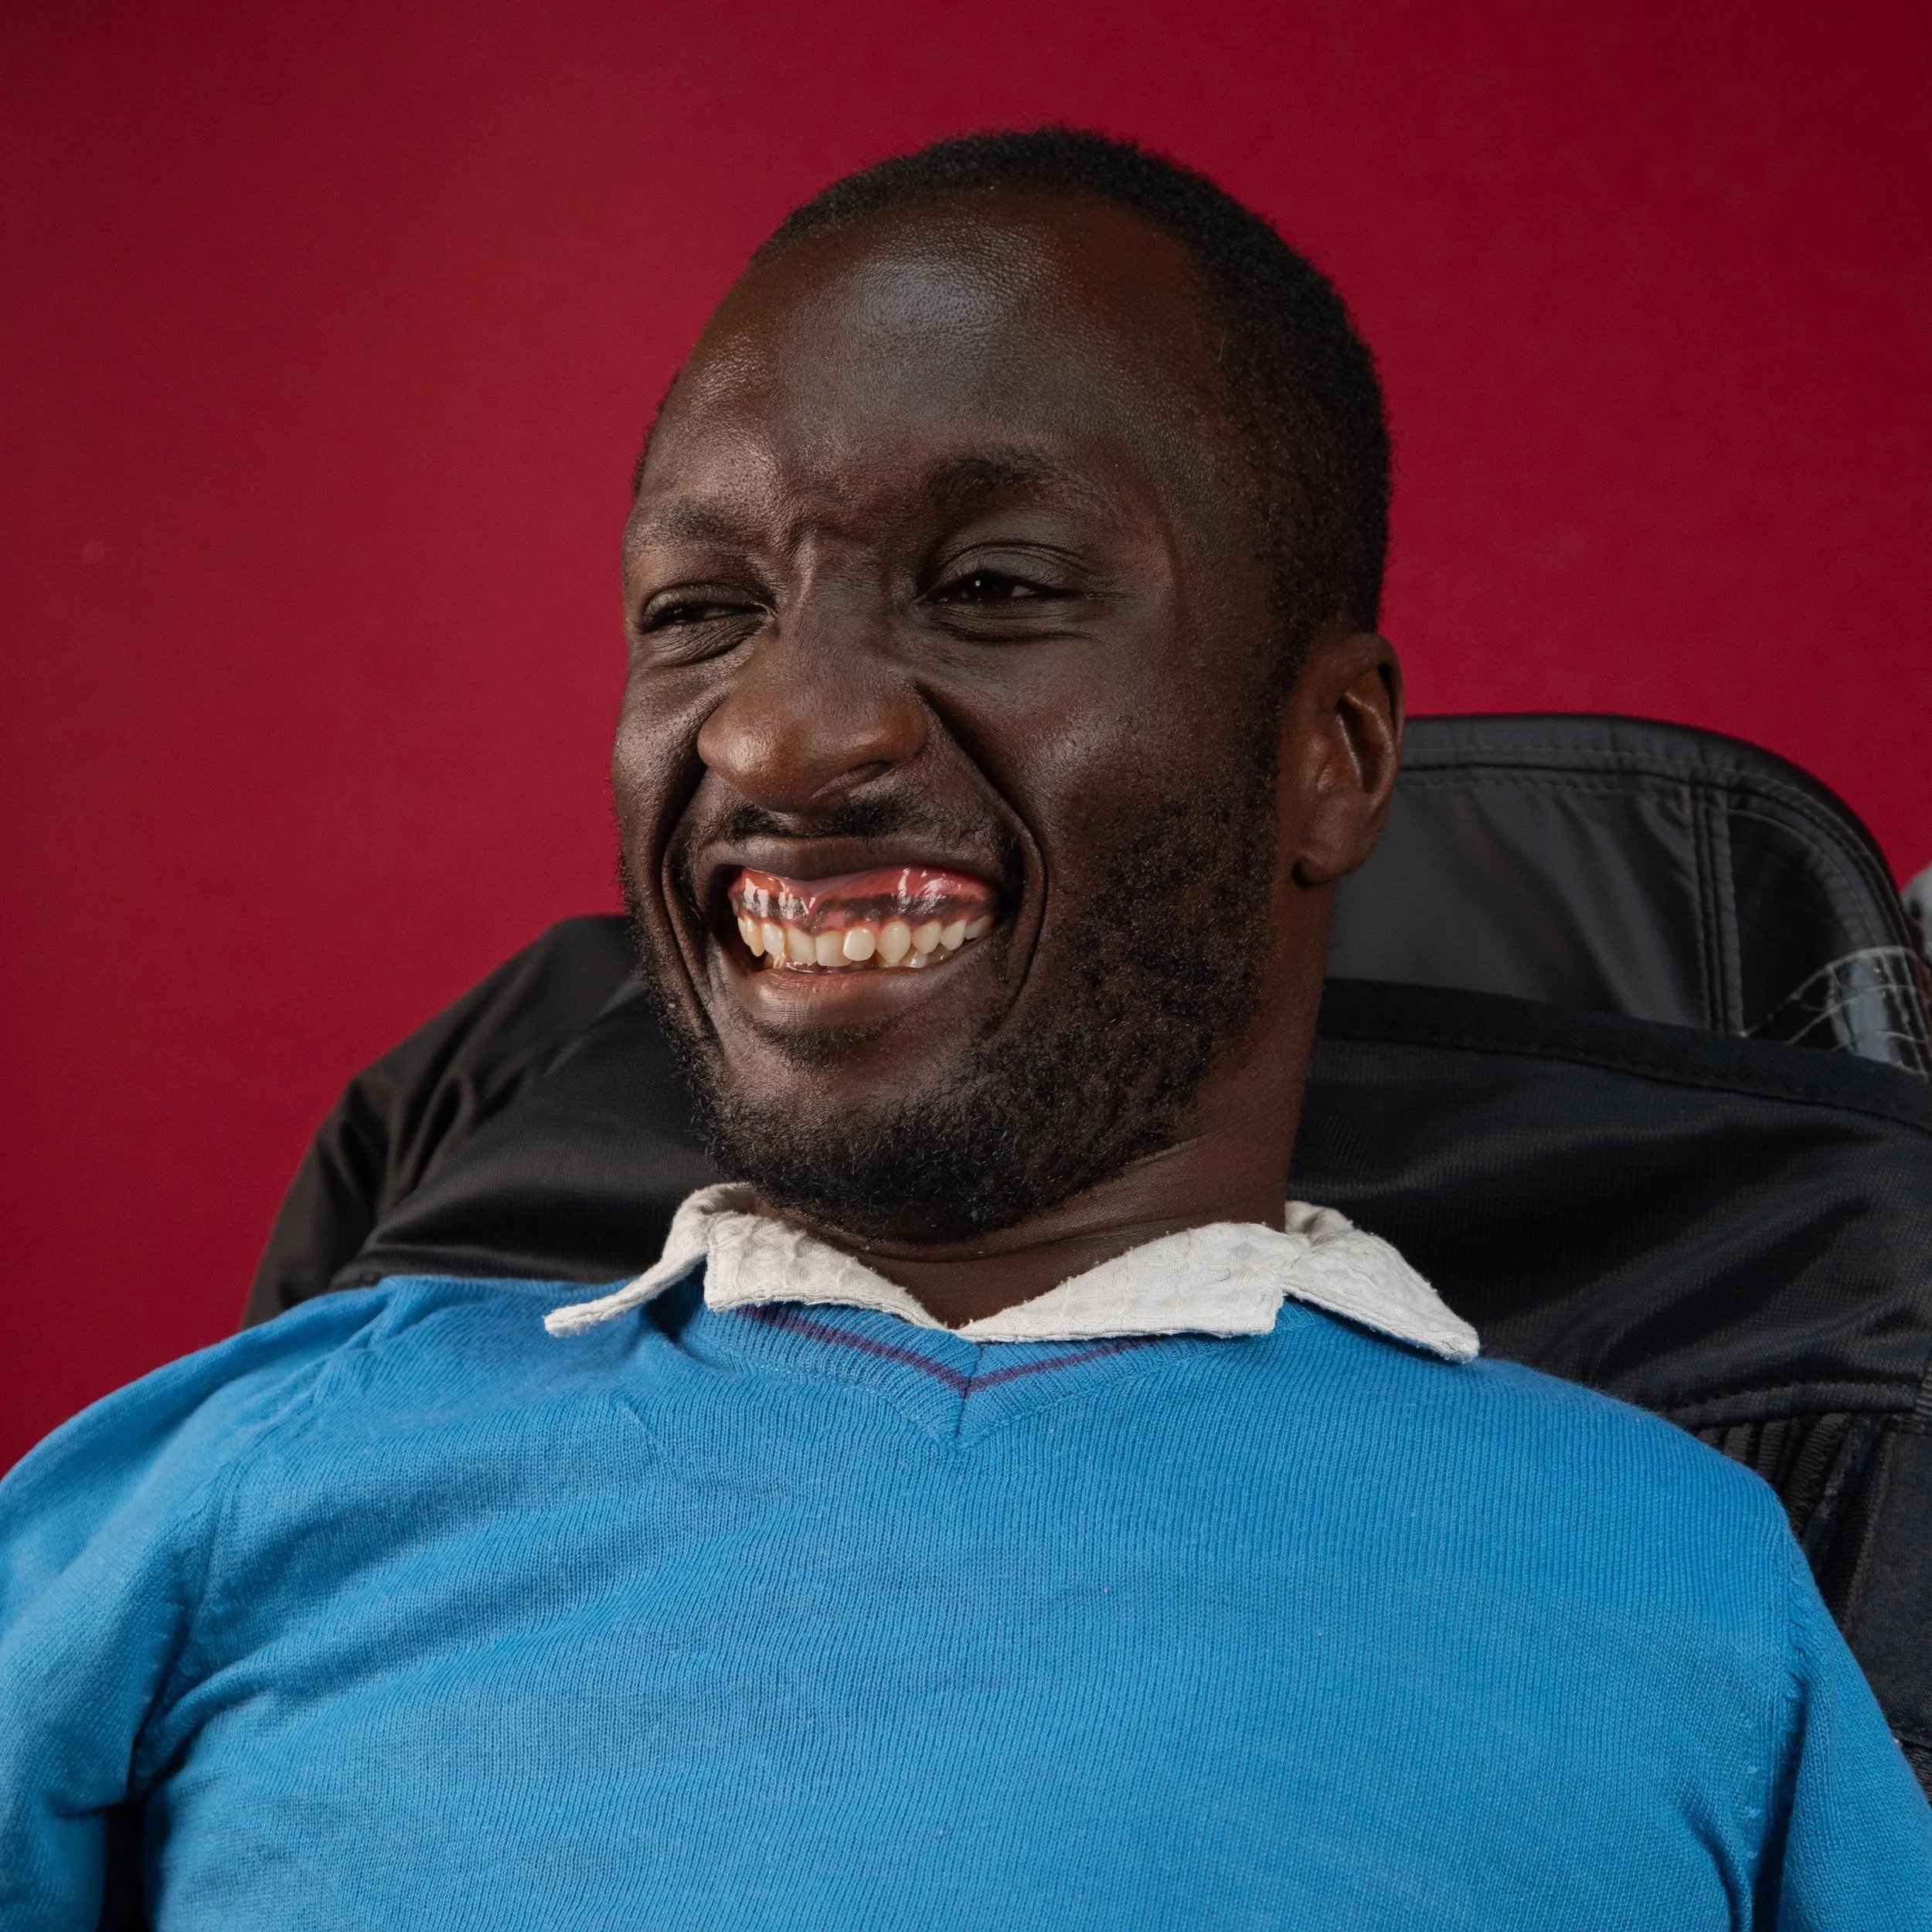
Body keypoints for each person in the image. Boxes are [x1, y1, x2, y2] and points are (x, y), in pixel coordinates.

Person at [2, 128, 1927, 1931]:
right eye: (697, 609)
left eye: (992, 585)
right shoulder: (253, 1456)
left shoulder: (1692, 1589)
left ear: (1328, 756)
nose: (774, 732)